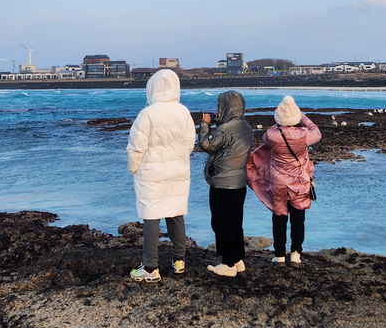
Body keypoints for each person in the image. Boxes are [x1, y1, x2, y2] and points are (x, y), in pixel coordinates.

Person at [126, 69, 196, 282]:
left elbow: (136, 146)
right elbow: (190, 142)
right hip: (178, 171)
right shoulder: (183, 111)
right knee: (175, 213)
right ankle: (179, 260)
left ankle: (150, 267)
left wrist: (133, 167)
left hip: (151, 173)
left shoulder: (148, 114)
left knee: (151, 216)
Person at [247, 95, 321, 267]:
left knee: (279, 217)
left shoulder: (272, 134)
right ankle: (296, 254)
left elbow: (268, 136)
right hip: (300, 182)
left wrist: (281, 120)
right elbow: (317, 132)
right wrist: (302, 117)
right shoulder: (304, 135)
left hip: (279, 181)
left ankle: (279, 256)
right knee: (298, 219)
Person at [198, 91, 254, 277]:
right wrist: (219, 123)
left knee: (221, 223)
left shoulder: (226, 129)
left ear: (226, 107)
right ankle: (238, 260)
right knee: (235, 223)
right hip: (239, 182)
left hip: (222, 183)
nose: (217, 110)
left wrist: (205, 124)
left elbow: (206, 144)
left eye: (220, 107)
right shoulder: (245, 126)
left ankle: (228, 264)